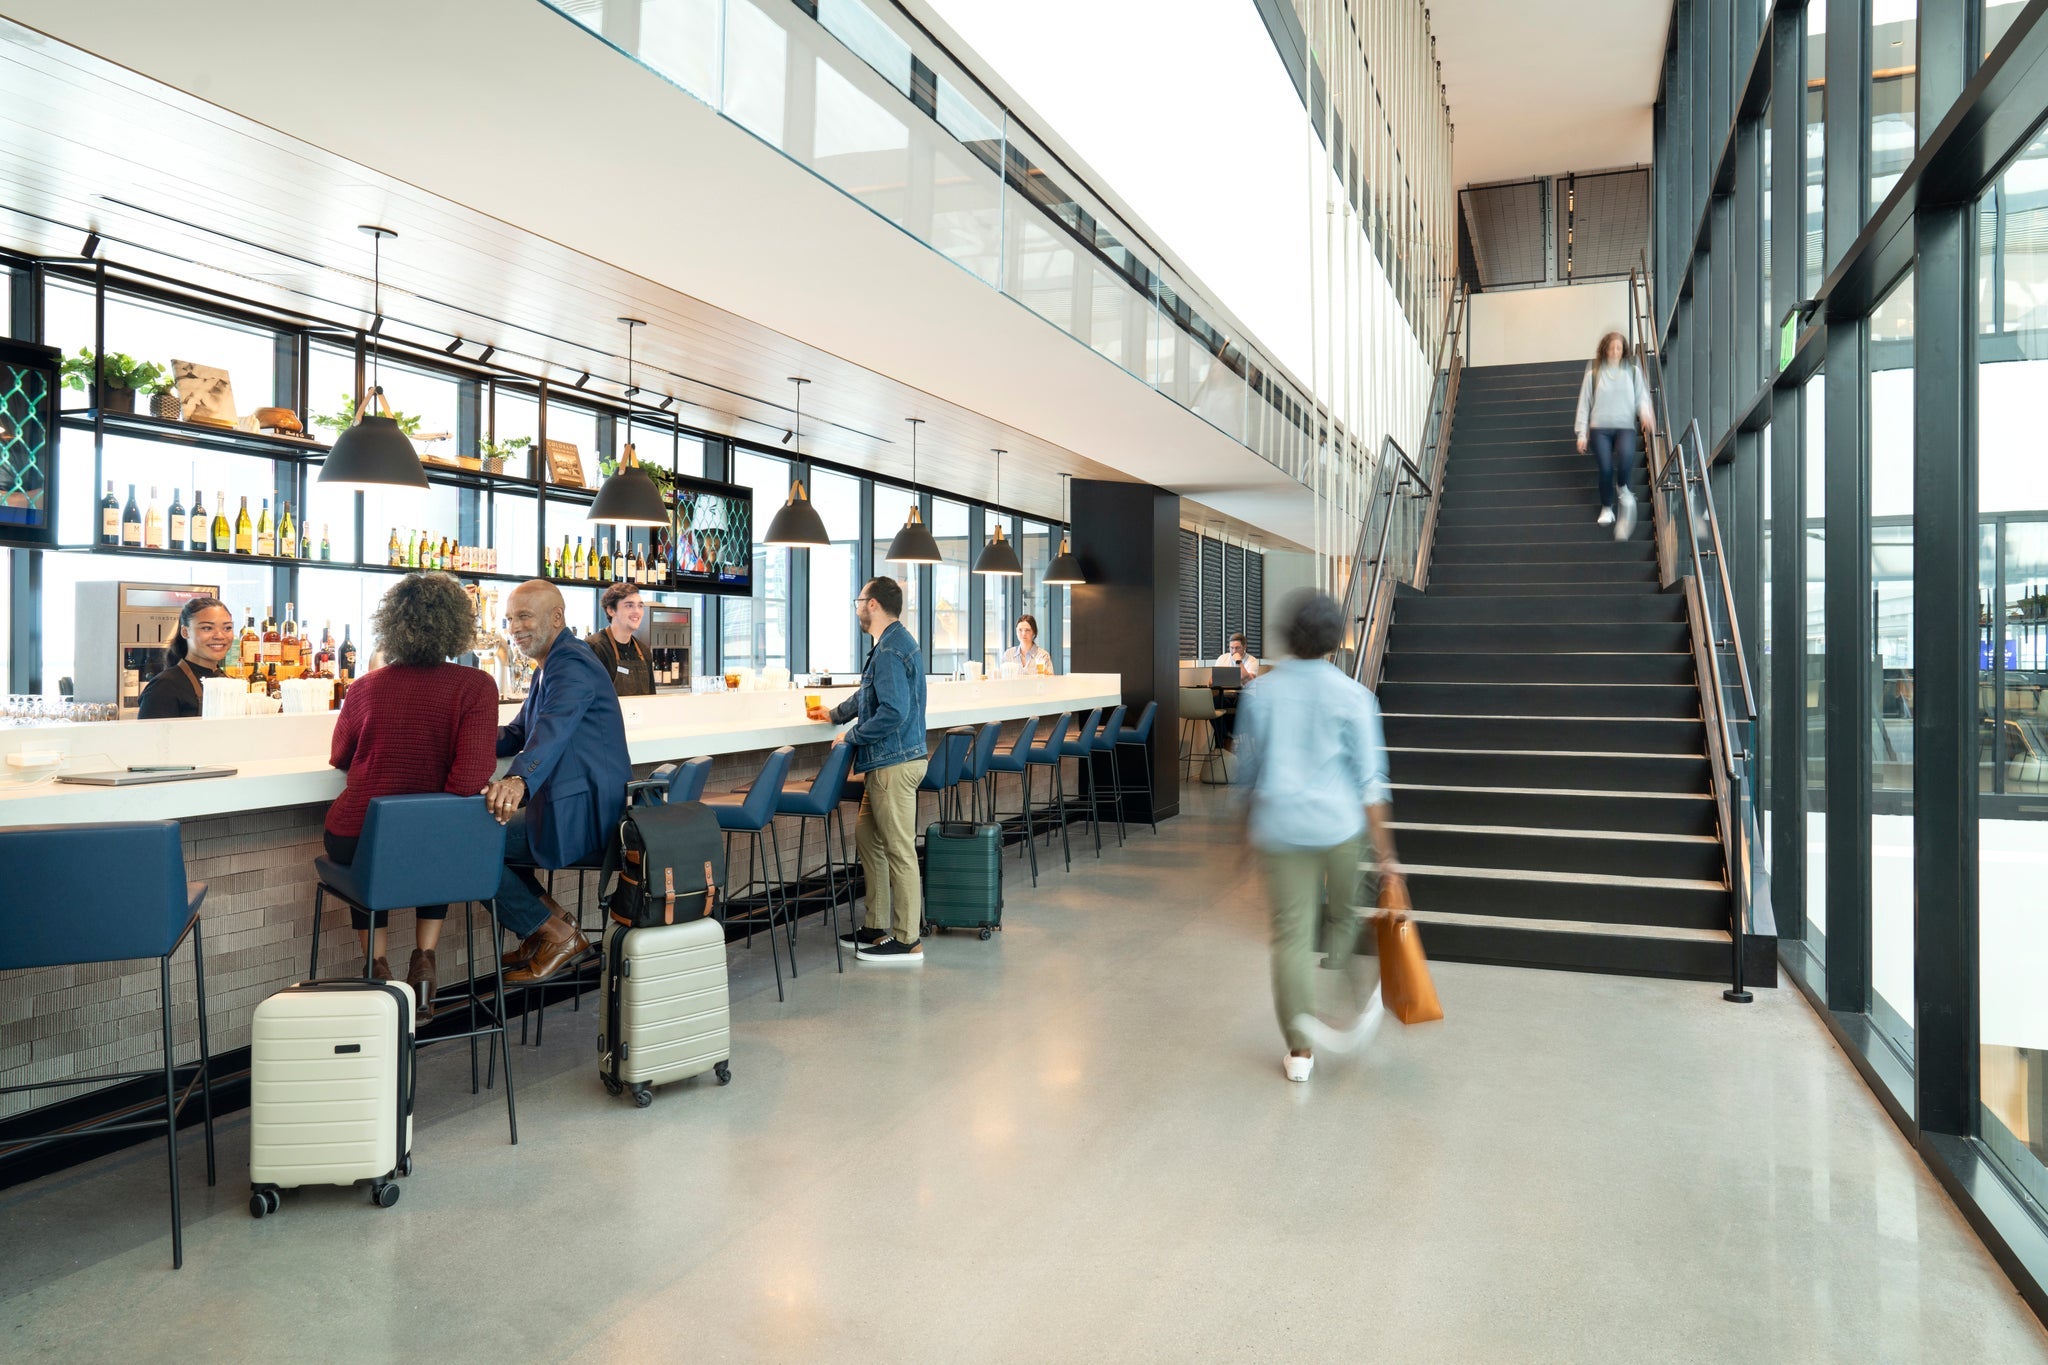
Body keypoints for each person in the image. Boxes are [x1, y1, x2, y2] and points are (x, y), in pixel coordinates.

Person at [1236, 591, 1403, 1083]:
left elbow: (1248, 773)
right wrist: (1387, 855)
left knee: (1289, 936)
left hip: (1281, 827)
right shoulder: (1355, 696)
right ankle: (1342, 983)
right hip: (1339, 828)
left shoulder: (1260, 693)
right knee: (1344, 914)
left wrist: (1240, 838)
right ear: (1334, 640)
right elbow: (1372, 783)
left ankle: (1301, 1054)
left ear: (1288, 636)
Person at [324, 572, 500, 1020]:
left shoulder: (364, 686)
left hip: (356, 833)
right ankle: (423, 965)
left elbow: (339, 755)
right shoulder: (475, 686)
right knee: (434, 841)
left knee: (381, 855)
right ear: (457, 625)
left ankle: (378, 975)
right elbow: (470, 778)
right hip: (433, 844)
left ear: (392, 624)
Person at [485, 579, 631, 984]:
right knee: (483, 840)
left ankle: (551, 932)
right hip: (575, 805)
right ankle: (552, 928)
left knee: (471, 842)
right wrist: (460, 736)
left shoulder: (573, 664)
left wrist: (517, 779)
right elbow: (520, 732)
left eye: (524, 617)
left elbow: (554, 728)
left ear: (556, 618)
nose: (514, 627)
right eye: (510, 619)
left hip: (589, 815)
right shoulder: (552, 663)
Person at [807, 575, 929, 965]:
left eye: (859, 601)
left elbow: (894, 711)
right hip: (888, 761)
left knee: (898, 849)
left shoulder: (891, 651)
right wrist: (836, 715)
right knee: (867, 836)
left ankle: (908, 939)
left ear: (873, 604)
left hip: (894, 764)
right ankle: (876, 927)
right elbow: (869, 695)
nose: (857, 607)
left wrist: (852, 736)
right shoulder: (891, 644)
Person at [1573, 330, 1656, 541]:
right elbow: (1584, 403)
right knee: (1606, 468)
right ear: (1605, 349)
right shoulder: (1594, 372)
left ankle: (1623, 488)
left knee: (1627, 456)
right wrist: (1581, 433)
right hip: (1599, 429)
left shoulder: (1634, 371)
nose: (1615, 351)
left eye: (1618, 347)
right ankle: (1607, 507)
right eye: (1611, 347)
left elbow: (1642, 398)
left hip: (1624, 427)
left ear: (1623, 350)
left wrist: (1645, 414)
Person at [136, 596, 234, 719]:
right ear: (185, 632)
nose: (220, 635)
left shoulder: (231, 684)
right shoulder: (164, 687)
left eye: (227, 628)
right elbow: (149, 737)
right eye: (207, 628)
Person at [587, 582, 656, 696]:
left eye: (640, 606)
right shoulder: (594, 648)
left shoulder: (643, 651)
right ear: (611, 610)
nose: (637, 612)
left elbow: (652, 699)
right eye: (629, 605)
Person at [1208, 633, 1259, 751]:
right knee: (1212, 705)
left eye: (1237, 648)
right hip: (1225, 694)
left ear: (1244, 647)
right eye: (1231, 648)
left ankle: (1224, 743)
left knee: (1242, 707)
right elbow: (1211, 681)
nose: (1233, 651)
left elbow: (1248, 681)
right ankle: (1226, 738)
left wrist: (1238, 662)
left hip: (1245, 696)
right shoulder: (1222, 658)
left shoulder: (1252, 661)